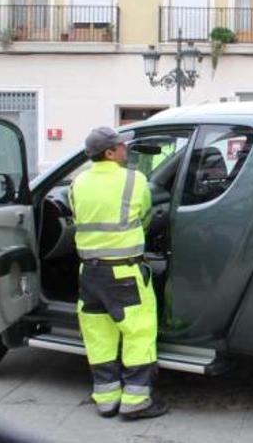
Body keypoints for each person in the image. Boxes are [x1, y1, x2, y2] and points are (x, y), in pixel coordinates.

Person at [69, 127, 168, 420]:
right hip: (124, 273)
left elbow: (78, 218)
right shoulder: (134, 180)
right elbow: (147, 215)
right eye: (121, 146)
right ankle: (136, 400)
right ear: (109, 152)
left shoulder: (77, 183)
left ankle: (106, 399)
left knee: (99, 337)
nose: (126, 150)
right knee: (139, 333)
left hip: (89, 273)